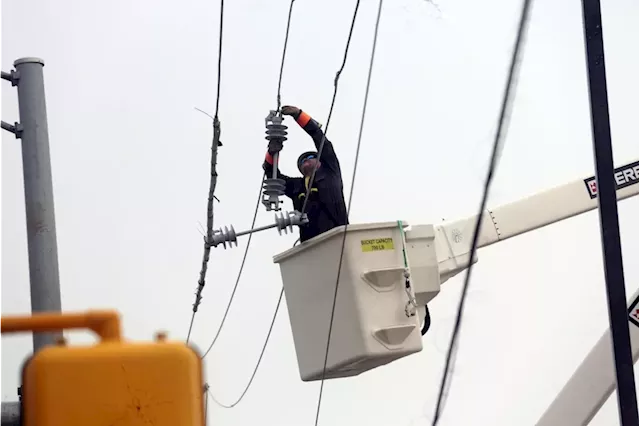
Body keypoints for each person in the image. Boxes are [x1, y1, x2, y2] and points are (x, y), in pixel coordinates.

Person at [263, 105, 348, 243]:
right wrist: (271, 152)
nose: (305, 161)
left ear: (320, 161)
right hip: (311, 245)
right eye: (302, 161)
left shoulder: (331, 172)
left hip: (338, 236)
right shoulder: (296, 186)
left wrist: (298, 115)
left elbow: (320, 139)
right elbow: (271, 175)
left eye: (310, 158)